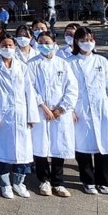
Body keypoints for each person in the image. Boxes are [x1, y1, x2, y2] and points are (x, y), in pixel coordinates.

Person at [0, 32, 39, 198]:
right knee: (2, 151)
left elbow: (30, 92)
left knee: (23, 152)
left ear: (15, 47)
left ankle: (19, 183)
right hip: (2, 114)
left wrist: (31, 115)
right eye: (4, 45)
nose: (7, 48)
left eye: (10, 45)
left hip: (21, 113)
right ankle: (5, 184)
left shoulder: (22, 66)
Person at [69, 26, 108, 195]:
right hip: (80, 109)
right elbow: (66, 88)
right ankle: (88, 181)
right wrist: (70, 109)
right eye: (83, 40)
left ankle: (103, 182)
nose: (87, 43)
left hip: (102, 108)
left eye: (90, 40)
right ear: (77, 42)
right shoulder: (69, 63)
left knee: (104, 146)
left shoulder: (101, 61)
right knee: (83, 146)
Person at [29, 32, 78, 197]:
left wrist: (61, 108)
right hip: (40, 111)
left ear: (54, 43)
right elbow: (30, 88)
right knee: (41, 146)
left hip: (60, 113)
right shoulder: (32, 64)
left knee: (59, 146)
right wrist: (43, 106)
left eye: (47, 42)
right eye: (41, 42)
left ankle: (58, 182)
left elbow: (72, 88)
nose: (44, 45)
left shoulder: (63, 64)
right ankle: (44, 180)